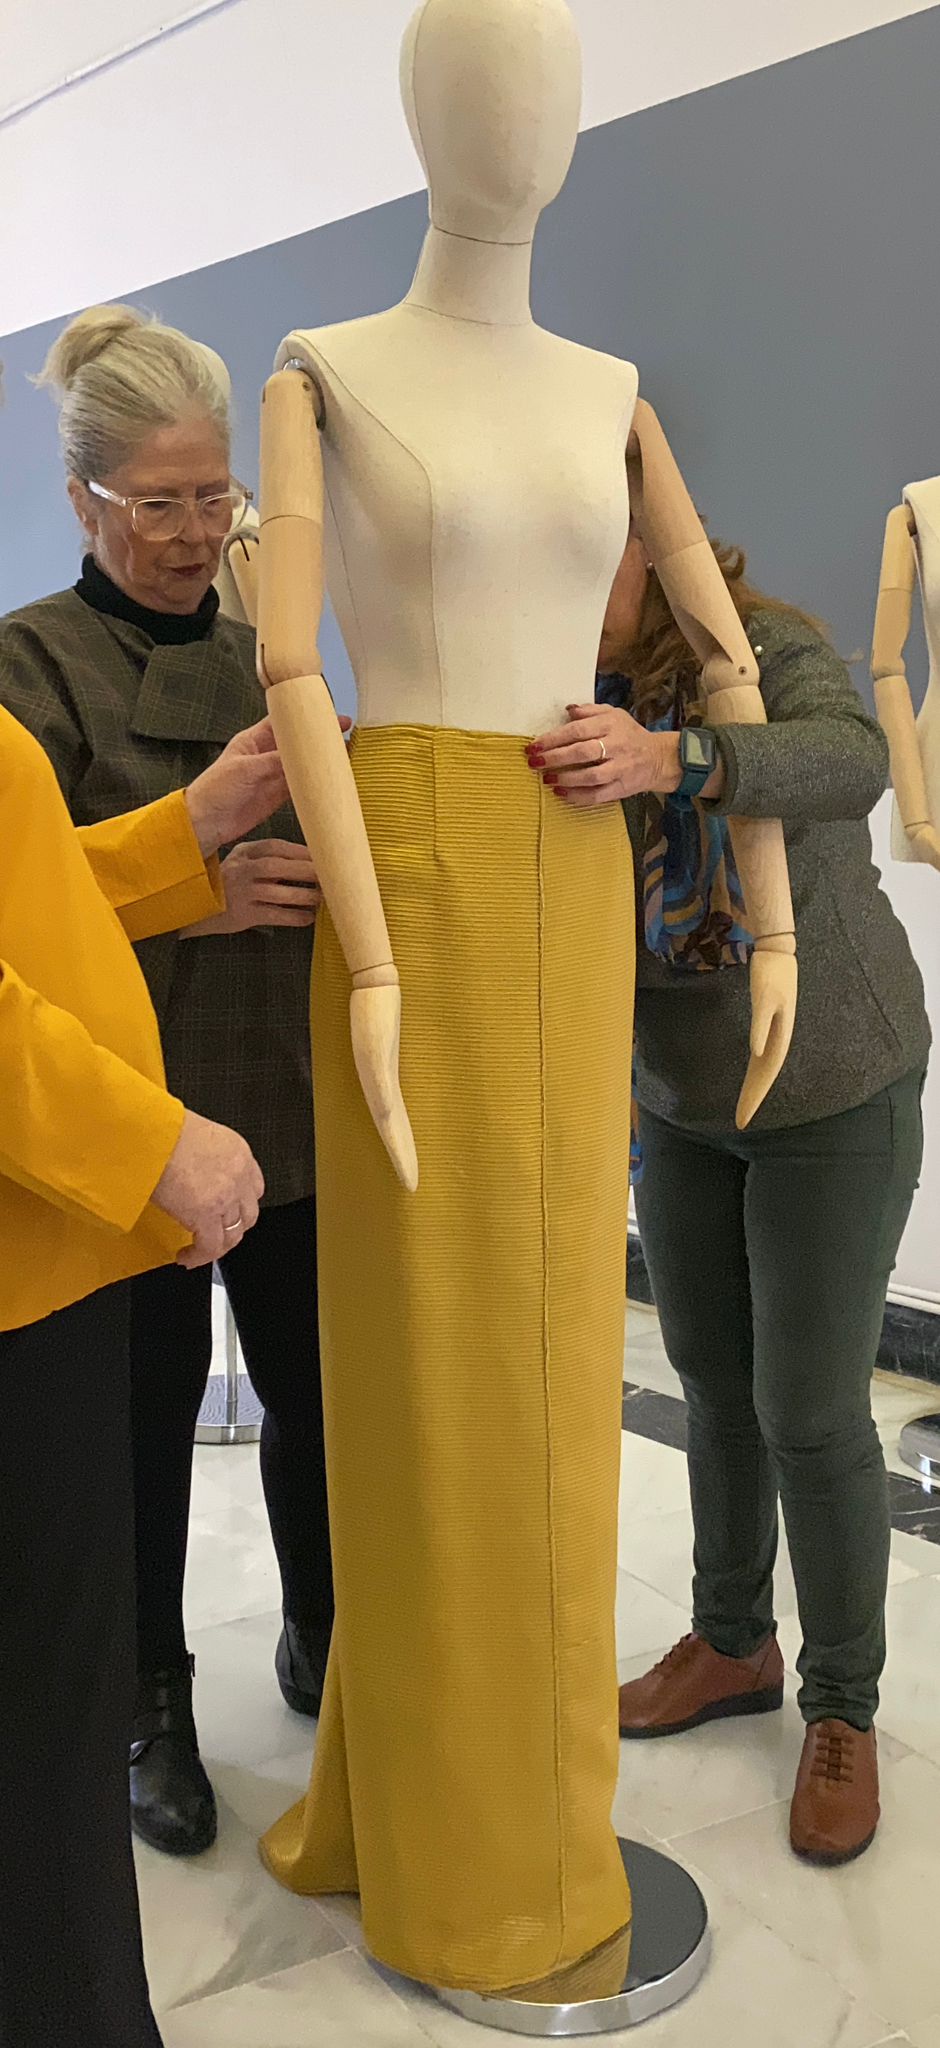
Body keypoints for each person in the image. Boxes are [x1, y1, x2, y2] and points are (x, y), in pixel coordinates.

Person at [528, 522, 930, 1867]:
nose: (565, 589)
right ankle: (733, 1641)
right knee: (709, 1383)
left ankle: (843, 1709)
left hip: (830, 1081)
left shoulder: (753, 648)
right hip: (684, 1093)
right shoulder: (550, 685)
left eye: (590, 557)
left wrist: (675, 759)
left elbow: (853, 760)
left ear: (650, 548)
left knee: (808, 1410)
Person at [0, 303, 334, 1863]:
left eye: (216, 497)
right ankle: (150, 1703)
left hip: (286, 1081)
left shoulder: (272, 650)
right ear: (82, 500)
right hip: (121, 1117)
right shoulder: (28, 665)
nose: (196, 534)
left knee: (317, 1401)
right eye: (159, 503)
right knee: (134, 1432)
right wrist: (199, 876)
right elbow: (30, 913)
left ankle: (329, 1634)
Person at [0, 699, 283, 2048]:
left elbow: (28, 891)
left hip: (47, 1257)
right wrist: (150, 1143)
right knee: (48, 1718)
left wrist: (188, 830)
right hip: (23, 1277)